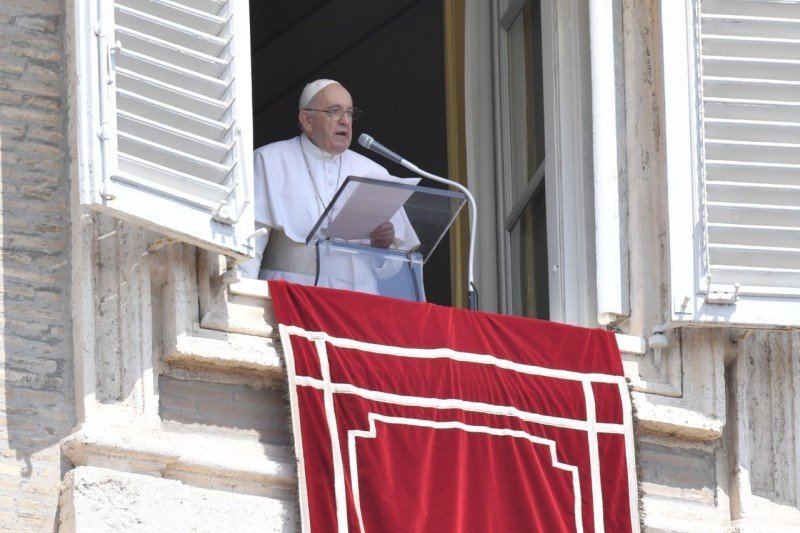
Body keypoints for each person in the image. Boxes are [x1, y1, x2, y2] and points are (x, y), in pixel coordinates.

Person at [239, 79, 419, 294]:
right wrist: (242, 297)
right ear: (307, 120)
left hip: (359, 301)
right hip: (291, 295)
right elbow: (249, 245)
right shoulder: (269, 161)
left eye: (350, 113)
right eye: (335, 111)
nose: (345, 121)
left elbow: (391, 269)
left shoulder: (374, 172)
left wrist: (383, 247)